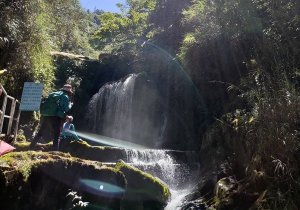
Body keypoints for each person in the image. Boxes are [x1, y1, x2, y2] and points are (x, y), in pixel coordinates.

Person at [30, 84, 74, 150]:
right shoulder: (65, 96)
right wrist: (70, 104)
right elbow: (66, 108)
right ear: (69, 91)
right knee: (57, 135)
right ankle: (55, 151)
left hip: (47, 115)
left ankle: (31, 146)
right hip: (56, 117)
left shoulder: (54, 93)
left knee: (41, 132)